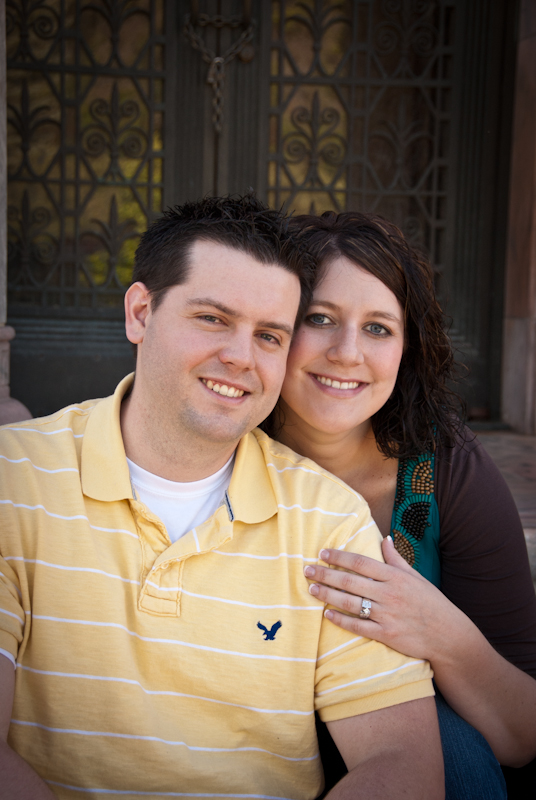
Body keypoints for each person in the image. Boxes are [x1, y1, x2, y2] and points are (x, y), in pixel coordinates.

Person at [0, 196, 444, 800]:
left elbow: (403, 762)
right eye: (212, 318)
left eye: (269, 335)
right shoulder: (14, 482)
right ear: (140, 313)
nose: (240, 357)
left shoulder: (329, 520)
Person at [263, 210, 536, 798]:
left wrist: (443, 635)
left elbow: (522, 734)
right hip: (247, 727)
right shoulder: (218, 448)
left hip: (405, 740)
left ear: (407, 349)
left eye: (378, 328)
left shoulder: (447, 471)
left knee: (452, 750)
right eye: (319, 319)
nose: (347, 352)